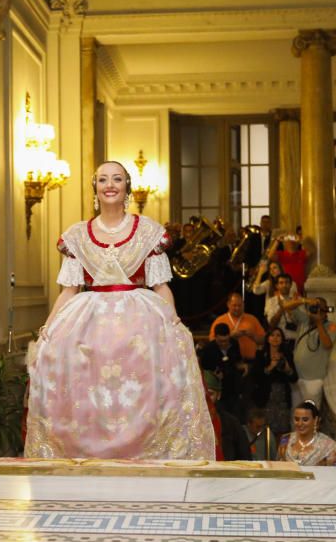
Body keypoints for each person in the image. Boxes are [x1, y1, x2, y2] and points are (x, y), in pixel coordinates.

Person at [25, 161, 214, 460]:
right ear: (95, 188)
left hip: (139, 329)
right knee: (87, 399)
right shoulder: (77, 235)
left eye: (116, 179)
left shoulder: (149, 231)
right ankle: (86, 462)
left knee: (142, 398)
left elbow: (160, 286)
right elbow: (69, 290)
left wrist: (174, 323)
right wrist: (47, 330)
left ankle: (145, 459)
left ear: (127, 186)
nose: (109, 185)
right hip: (88, 330)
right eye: (102, 180)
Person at [288, 297, 336, 408]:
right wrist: (305, 301)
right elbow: (286, 306)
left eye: (320, 308)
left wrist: (319, 323)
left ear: (325, 311)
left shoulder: (331, 326)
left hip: (313, 379)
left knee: (311, 413)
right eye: (314, 307)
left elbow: (327, 344)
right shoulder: (304, 320)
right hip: (297, 377)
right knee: (295, 414)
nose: (316, 310)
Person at [251, 327, 297, 437]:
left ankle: (281, 453)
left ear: (282, 339)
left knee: (283, 431)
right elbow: (255, 377)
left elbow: (295, 378)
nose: (275, 338)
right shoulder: (260, 354)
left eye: (278, 335)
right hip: (266, 397)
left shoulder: (287, 355)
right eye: (272, 335)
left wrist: (287, 369)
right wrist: (270, 366)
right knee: (265, 430)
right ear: (267, 338)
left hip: (282, 398)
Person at [198, 323, 246, 419]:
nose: (224, 344)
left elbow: (238, 361)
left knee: (235, 414)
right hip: (217, 386)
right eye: (220, 341)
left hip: (233, 384)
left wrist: (242, 366)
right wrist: (214, 371)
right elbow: (204, 366)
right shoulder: (209, 349)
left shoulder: (234, 344)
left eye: (226, 341)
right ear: (215, 338)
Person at [278, 400, 336, 466]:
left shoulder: (329, 445)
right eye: (297, 419)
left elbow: (333, 473)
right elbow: (278, 467)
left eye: (305, 420)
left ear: (315, 420)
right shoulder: (285, 439)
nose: (300, 423)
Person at [209, 292, 266, 361]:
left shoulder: (252, 319)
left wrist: (253, 336)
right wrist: (230, 336)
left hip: (251, 360)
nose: (237, 308)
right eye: (234, 305)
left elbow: (264, 340)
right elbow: (212, 342)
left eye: (240, 305)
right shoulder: (219, 321)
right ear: (228, 305)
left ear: (243, 305)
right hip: (229, 361)